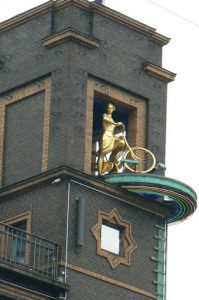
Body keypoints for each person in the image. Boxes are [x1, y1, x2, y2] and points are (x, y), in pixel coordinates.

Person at [98, 103, 125, 175]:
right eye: (108, 108)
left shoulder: (112, 119)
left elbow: (113, 126)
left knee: (122, 143)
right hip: (107, 135)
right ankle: (100, 172)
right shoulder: (105, 115)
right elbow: (105, 119)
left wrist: (119, 126)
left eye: (111, 108)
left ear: (113, 109)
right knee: (102, 153)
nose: (109, 109)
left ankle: (112, 158)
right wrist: (116, 124)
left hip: (112, 135)